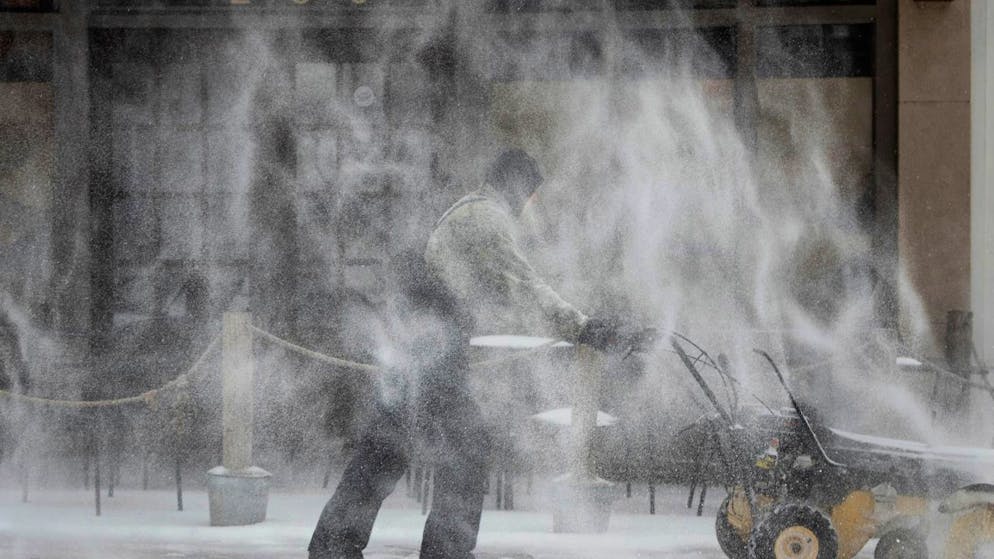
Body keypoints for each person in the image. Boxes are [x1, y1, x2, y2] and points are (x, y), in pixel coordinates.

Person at [308, 149, 638, 559]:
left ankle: (334, 545)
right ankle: (441, 553)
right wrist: (583, 327)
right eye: (530, 194)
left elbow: (501, 292)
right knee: (462, 450)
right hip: (431, 347)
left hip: (415, 344)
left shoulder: (469, 210)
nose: (529, 204)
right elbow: (524, 286)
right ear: (516, 186)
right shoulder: (486, 219)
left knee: (386, 448)